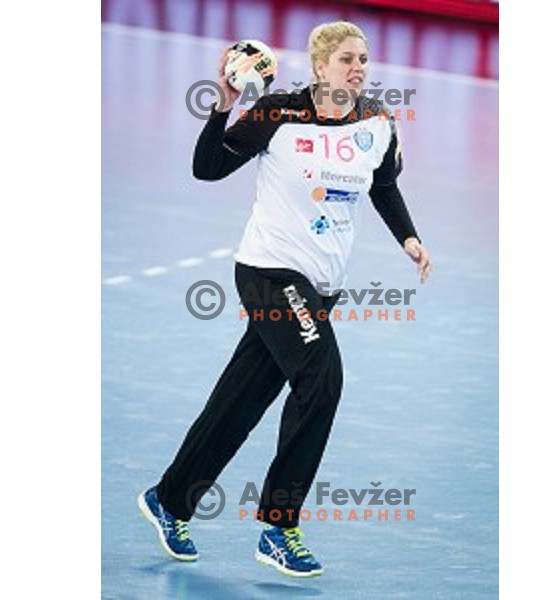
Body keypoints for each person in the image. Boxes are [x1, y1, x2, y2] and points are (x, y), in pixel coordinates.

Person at [138, 21, 432, 577]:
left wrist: (409, 238)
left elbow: (385, 186)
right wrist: (222, 107)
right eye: (347, 58)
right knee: (322, 382)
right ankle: (280, 526)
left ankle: (169, 499)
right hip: (269, 272)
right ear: (320, 65)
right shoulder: (278, 113)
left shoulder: (376, 122)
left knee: (240, 402)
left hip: (321, 286)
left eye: (364, 59)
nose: (359, 67)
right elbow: (208, 168)